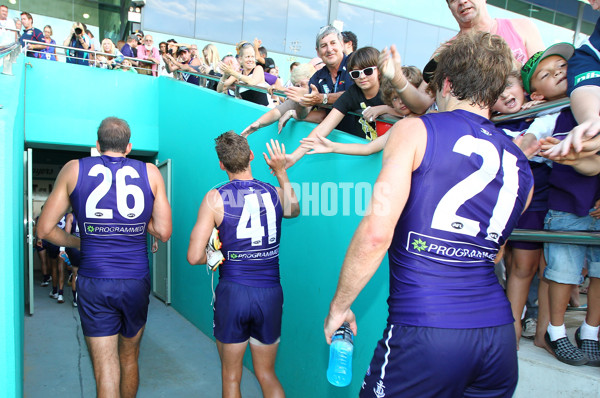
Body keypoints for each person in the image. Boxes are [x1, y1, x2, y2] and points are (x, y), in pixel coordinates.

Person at [323, 32, 533, 397]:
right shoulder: (522, 166)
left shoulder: (415, 130)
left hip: (426, 332)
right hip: (499, 337)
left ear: (447, 83)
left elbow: (376, 232)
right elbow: (493, 251)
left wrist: (340, 306)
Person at [36, 117, 172, 397]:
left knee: (105, 365)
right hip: (135, 280)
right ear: (129, 147)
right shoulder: (150, 172)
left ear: (97, 146)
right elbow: (164, 231)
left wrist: (80, 242)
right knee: (129, 357)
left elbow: (45, 229)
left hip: (95, 279)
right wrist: (135, 221)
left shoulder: (74, 169)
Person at [187, 132, 299, 398]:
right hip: (270, 293)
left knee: (231, 376)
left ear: (221, 165)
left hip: (234, 293)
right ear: (251, 156)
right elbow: (294, 210)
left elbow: (194, 256)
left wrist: (217, 254)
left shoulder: (215, 198)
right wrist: (281, 172)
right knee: (267, 374)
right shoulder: (273, 191)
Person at [519, 43, 600, 366]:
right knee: (563, 271)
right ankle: (555, 331)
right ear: (536, 94)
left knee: (598, 272)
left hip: (595, 204)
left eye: (562, 67)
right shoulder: (549, 115)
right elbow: (529, 142)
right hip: (567, 203)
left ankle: (590, 331)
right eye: (545, 74)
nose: (557, 73)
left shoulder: (593, 102)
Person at [380, 0, 545, 117]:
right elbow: (422, 103)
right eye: (453, 0)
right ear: (450, 7)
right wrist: (397, 79)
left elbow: (545, 78)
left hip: (531, 125)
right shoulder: (445, 53)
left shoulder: (522, 27)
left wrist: (542, 104)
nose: (462, 2)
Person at [285, 47, 385, 168]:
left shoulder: (389, 92)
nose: (362, 76)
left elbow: (410, 112)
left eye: (368, 71)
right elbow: (324, 127)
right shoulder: (352, 93)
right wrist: (294, 157)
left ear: (379, 70)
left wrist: (384, 109)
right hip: (369, 151)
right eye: (356, 73)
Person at [284, 25, 355, 133]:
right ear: (318, 52)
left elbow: (353, 96)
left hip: (361, 138)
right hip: (331, 136)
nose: (329, 49)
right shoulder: (317, 77)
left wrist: (323, 98)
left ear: (341, 45)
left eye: (333, 43)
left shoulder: (355, 63)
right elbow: (305, 114)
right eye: (323, 45)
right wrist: (302, 102)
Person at [241, 63, 317, 137]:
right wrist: (258, 123)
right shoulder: (296, 96)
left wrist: (292, 113)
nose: (298, 89)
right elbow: (277, 112)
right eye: (297, 86)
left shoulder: (323, 93)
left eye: (302, 85)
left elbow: (321, 117)